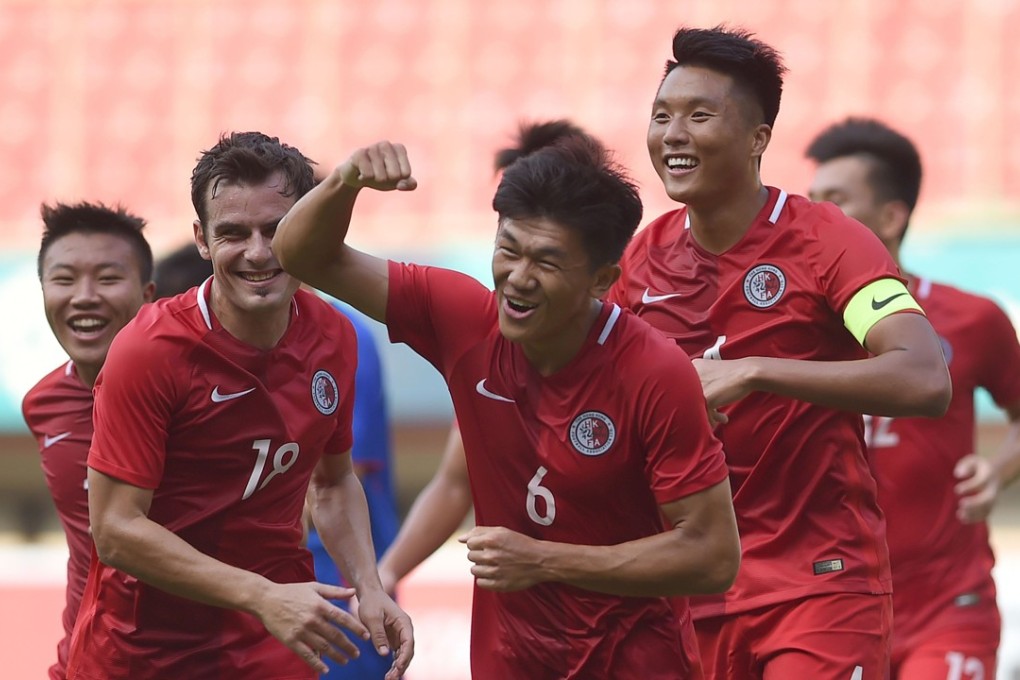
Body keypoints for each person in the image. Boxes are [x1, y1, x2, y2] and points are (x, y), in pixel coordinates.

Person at [274, 127, 742, 678]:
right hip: (509, 662)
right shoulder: (461, 318)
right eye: (508, 249)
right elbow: (300, 252)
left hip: (636, 662)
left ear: (602, 280)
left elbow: (713, 556)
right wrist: (346, 181)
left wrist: (544, 561)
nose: (518, 278)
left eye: (545, 262)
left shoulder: (655, 372)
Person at [604, 26, 952, 679]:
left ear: (757, 139)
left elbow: (923, 375)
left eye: (699, 115)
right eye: (661, 116)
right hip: (689, 592)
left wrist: (754, 372)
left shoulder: (828, 242)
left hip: (820, 584)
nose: (673, 134)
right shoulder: (640, 259)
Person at [65, 131, 413, 680]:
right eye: (233, 233)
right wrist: (263, 595)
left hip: (275, 639)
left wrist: (370, 587)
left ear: (306, 231)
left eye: (276, 230)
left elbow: (333, 481)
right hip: (143, 652)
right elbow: (115, 531)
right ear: (202, 240)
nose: (257, 252)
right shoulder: (148, 350)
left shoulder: (336, 338)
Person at [806, 117, 1020, 680]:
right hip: (827, 605)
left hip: (947, 607)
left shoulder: (973, 319)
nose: (817, 217)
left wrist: (998, 472)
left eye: (835, 200)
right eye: (811, 202)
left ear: (892, 215)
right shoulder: (791, 330)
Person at [22, 201, 156, 680]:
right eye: (63, 279)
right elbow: (86, 553)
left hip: (207, 663)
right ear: (42, 291)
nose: (84, 296)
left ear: (148, 294)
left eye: (106, 277)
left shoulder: (199, 396)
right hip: (86, 665)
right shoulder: (43, 404)